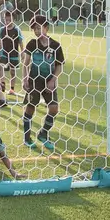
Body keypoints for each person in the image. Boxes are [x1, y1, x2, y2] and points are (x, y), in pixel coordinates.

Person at [21, 14, 64, 151]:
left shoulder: (56, 46)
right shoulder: (32, 44)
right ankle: (27, 138)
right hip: (34, 80)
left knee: (54, 108)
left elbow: (59, 66)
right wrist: (25, 78)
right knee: (30, 107)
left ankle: (43, 133)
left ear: (46, 28)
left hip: (49, 81)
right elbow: (26, 63)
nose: (37, 31)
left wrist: (53, 79)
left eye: (39, 28)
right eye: (34, 29)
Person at [0, 9, 24, 101]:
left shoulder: (16, 29)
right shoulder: (2, 29)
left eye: (9, 19)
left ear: (13, 19)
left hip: (14, 53)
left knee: (12, 71)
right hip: (4, 53)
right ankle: (2, 83)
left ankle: (12, 89)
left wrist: (22, 52)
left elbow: (20, 42)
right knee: (0, 66)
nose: (7, 21)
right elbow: (0, 41)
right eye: (6, 20)